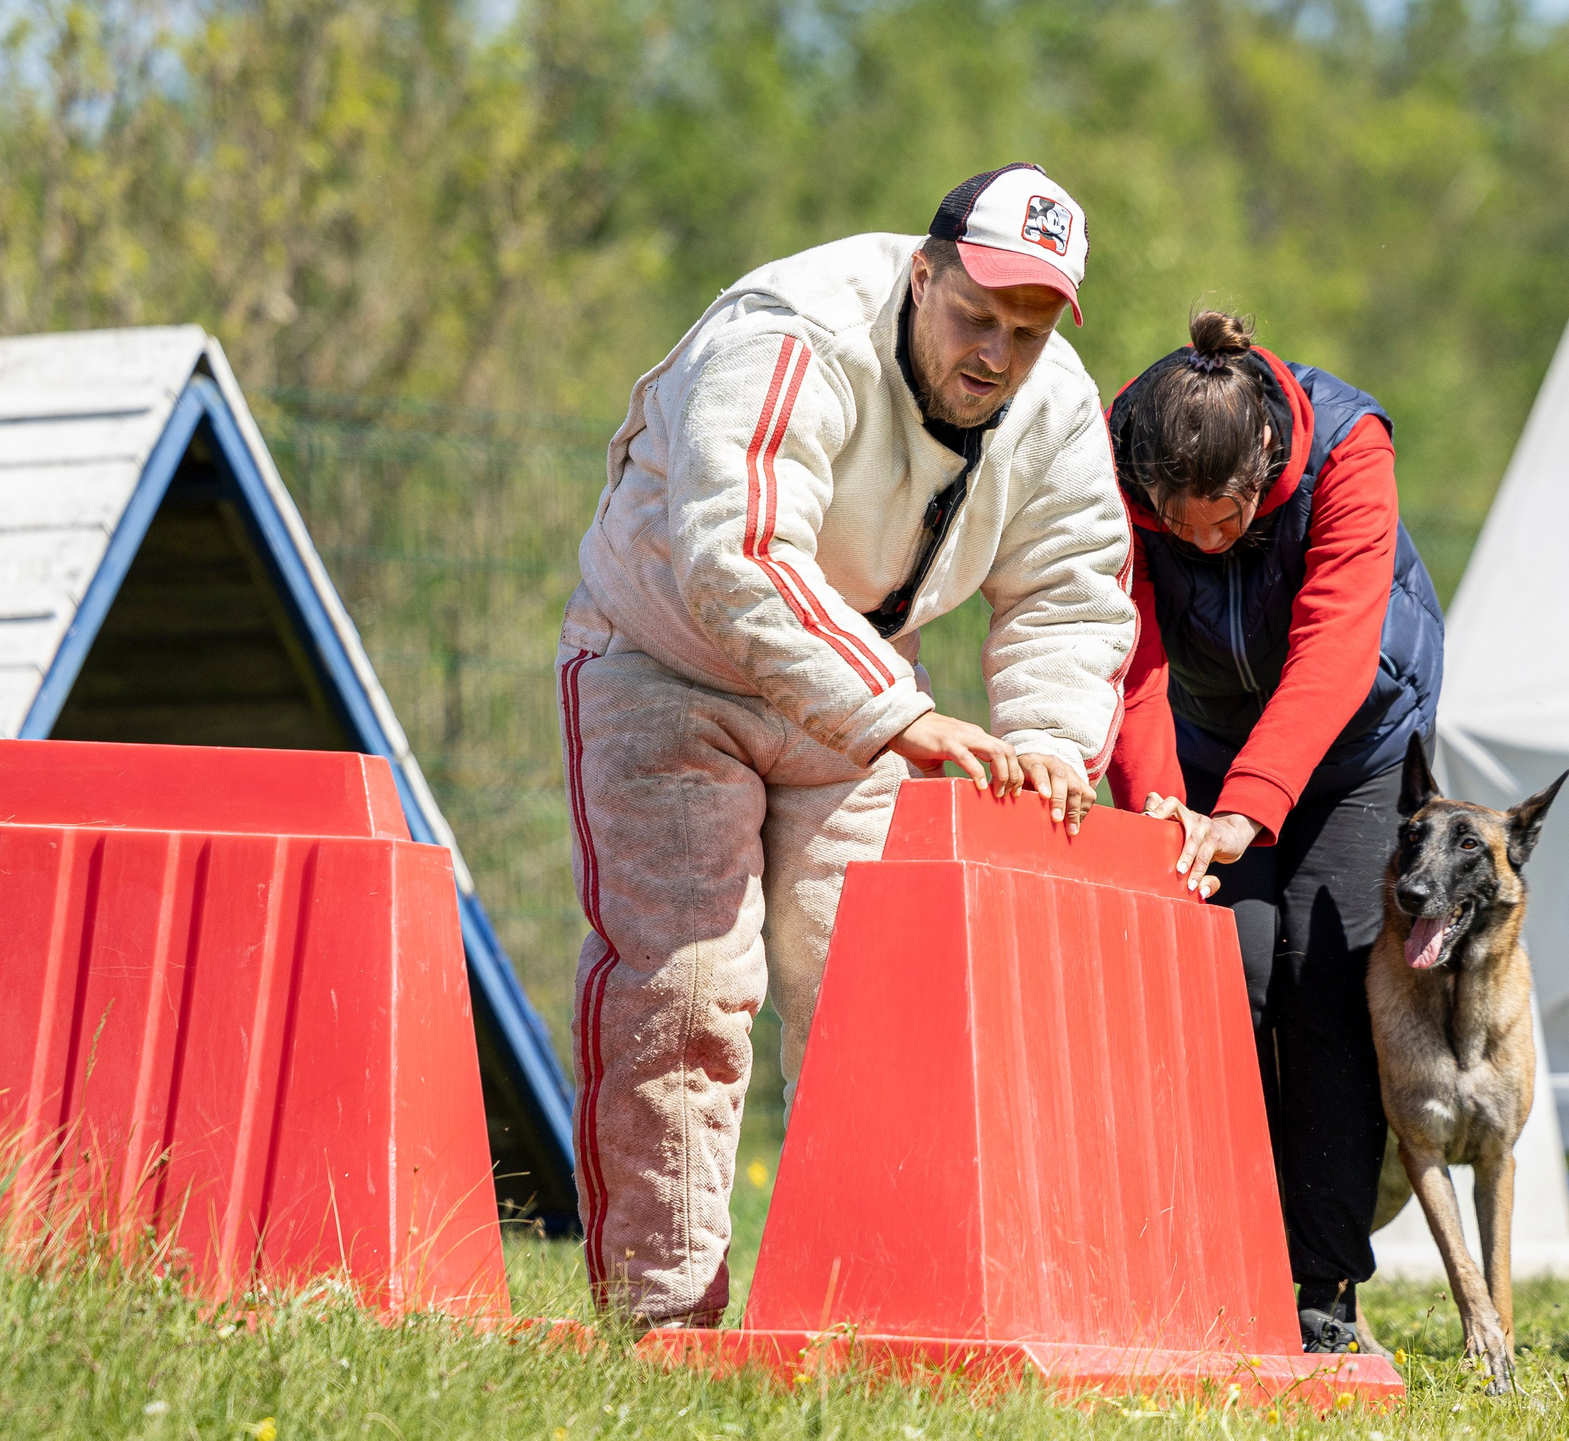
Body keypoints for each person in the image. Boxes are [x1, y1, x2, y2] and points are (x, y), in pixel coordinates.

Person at [559, 163, 1136, 1326]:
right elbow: (741, 557)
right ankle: (660, 1324)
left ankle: (864, 1312)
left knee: (872, 1002)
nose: (995, 354)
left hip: (866, 695)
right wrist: (902, 717)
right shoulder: (791, 332)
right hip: (669, 658)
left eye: (1025, 331)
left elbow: (1071, 591)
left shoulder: (1055, 403)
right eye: (975, 314)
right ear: (922, 275)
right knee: (689, 995)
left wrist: (1051, 748)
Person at [1104, 310, 1444, 1353]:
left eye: (1229, 520)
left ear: (1266, 460)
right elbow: (1128, 650)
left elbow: (1335, 651)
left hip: (1356, 745)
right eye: (1181, 524)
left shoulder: (1351, 446)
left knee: (1323, 985)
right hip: (1198, 749)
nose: (1205, 542)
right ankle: (1215, 1258)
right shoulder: (1113, 459)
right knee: (1221, 971)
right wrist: (1160, 804)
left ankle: (1322, 1287)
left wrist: (1251, 807)